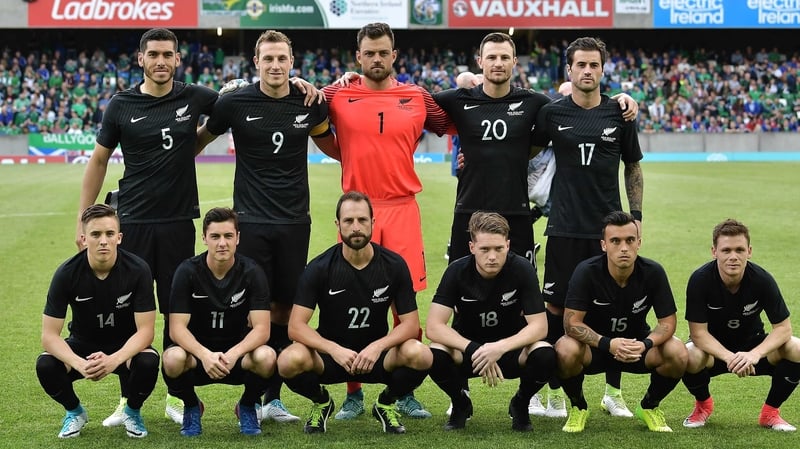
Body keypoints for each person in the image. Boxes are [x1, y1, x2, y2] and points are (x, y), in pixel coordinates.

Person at [76, 28, 218, 426]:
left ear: (178, 59)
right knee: (129, 313)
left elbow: (235, 108)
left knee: (176, 310)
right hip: (133, 222)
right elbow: (99, 161)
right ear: (141, 59)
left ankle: (178, 394)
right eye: (153, 54)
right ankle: (129, 399)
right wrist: (83, 218)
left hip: (176, 223)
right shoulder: (121, 105)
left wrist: (199, 138)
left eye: (167, 54)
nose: (160, 61)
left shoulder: (194, 97)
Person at [196, 29, 338, 424]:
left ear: (293, 63)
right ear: (255, 63)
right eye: (268, 59)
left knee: (285, 309)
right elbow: (199, 141)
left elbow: (332, 140)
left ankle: (271, 399)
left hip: (295, 221)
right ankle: (250, 398)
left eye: (282, 59)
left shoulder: (310, 103)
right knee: (254, 307)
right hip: (252, 221)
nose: (275, 65)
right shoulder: (234, 102)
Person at [322, 22, 450, 420]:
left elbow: (451, 122)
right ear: (357, 57)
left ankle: (403, 391)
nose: (376, 59)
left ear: (394, 56)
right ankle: (354, 393)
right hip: (357, 209)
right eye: (369, 53)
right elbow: (304, 102)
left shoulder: (417, 96)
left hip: (401, 208)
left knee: (403, 304)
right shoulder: (338, 93)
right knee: (348, 302)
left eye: (383, 53)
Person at [532, 37, 644, 418]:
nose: (587, 71)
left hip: (609, 230)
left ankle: (613, 393)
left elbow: (633, 166)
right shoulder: (552, 113)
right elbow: (525, 153)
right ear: (569, 70)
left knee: (617, 308)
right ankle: (556, 393)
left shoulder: (620, 113)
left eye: (594, 65)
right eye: (580, 65)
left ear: (602, 69)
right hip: (564, 227)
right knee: (555, 309)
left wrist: (637, 217)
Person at [277, 191, 433, 434]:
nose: (356, 227)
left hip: (377, 357)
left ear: (373, 222)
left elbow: (411, 324)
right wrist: (333, 349)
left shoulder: (393, 265)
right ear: (338, 225)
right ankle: (321, 402)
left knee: (421, 354)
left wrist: (378, 347)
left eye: (362, 220)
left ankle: (386, 403)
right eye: (348, 221)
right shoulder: (319, 268)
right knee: (288, 360)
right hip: (331, 358)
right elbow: (296, 326)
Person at [555, 211, 687, 433]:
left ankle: (649, 407)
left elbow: (667, 323)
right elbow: (571, 323)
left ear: (639, 243)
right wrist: (608, 343)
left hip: (636, 349)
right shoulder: (586, 272)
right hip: (595, 349)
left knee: (678, 351)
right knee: (565, 349)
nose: (623, 248)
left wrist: (645, 344)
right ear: (604, 245)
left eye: (630, 240)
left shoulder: (653, 272)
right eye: (615, 241)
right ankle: (578, 407)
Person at [36, 204, 159, 439]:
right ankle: (75, 412)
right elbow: (49, 336)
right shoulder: (66, 273)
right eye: (96, 234)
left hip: (124, 346)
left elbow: (146, 332)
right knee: (46, 365)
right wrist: (79, 363)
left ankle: (131, 412)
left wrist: (114, 360)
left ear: (119, 237)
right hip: (82, 345)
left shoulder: (138, 269)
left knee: (148, 360)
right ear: (84, 238)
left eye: (109, 234)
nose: (103, 241)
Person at [426, 211, 555, 431]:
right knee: (434, 352)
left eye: (499, 249)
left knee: (545, 353)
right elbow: (433, 326)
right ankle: (460, 404)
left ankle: (520, 404)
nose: (492, 256)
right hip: (469, 353)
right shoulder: (456, 271)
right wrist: (478, 349)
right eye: (485, 249)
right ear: (472, 247)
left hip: (511, 351)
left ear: (508, 244)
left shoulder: (522, 268)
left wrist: (499, 348)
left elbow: (540, 326)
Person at [161, 207, 277, 436]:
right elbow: (176, 329)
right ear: (204, 238)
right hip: (198, 357)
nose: (222, 243)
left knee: (267, 357)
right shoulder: (187, 271)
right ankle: (191, 405)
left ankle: (247, 405)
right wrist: (205, 355)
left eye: (228, 236)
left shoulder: (252, 272)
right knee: (172, 359)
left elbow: (262, 330)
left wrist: (233, 355)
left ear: (238, 238)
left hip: (237, 356)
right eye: (215, 236)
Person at [681, 219, 800, 431]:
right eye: (726, 250)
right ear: (714, 251)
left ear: (749, 251)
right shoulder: (700, 279)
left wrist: (753, 354)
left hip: (752, 347)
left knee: (796, 348)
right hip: (713, 352)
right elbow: (698, 334)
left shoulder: (762, 280)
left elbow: (783, 328)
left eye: (739, 250)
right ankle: (703, 406)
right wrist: (729, 357)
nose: (733, 256)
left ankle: (770, 413)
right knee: (687, 356)